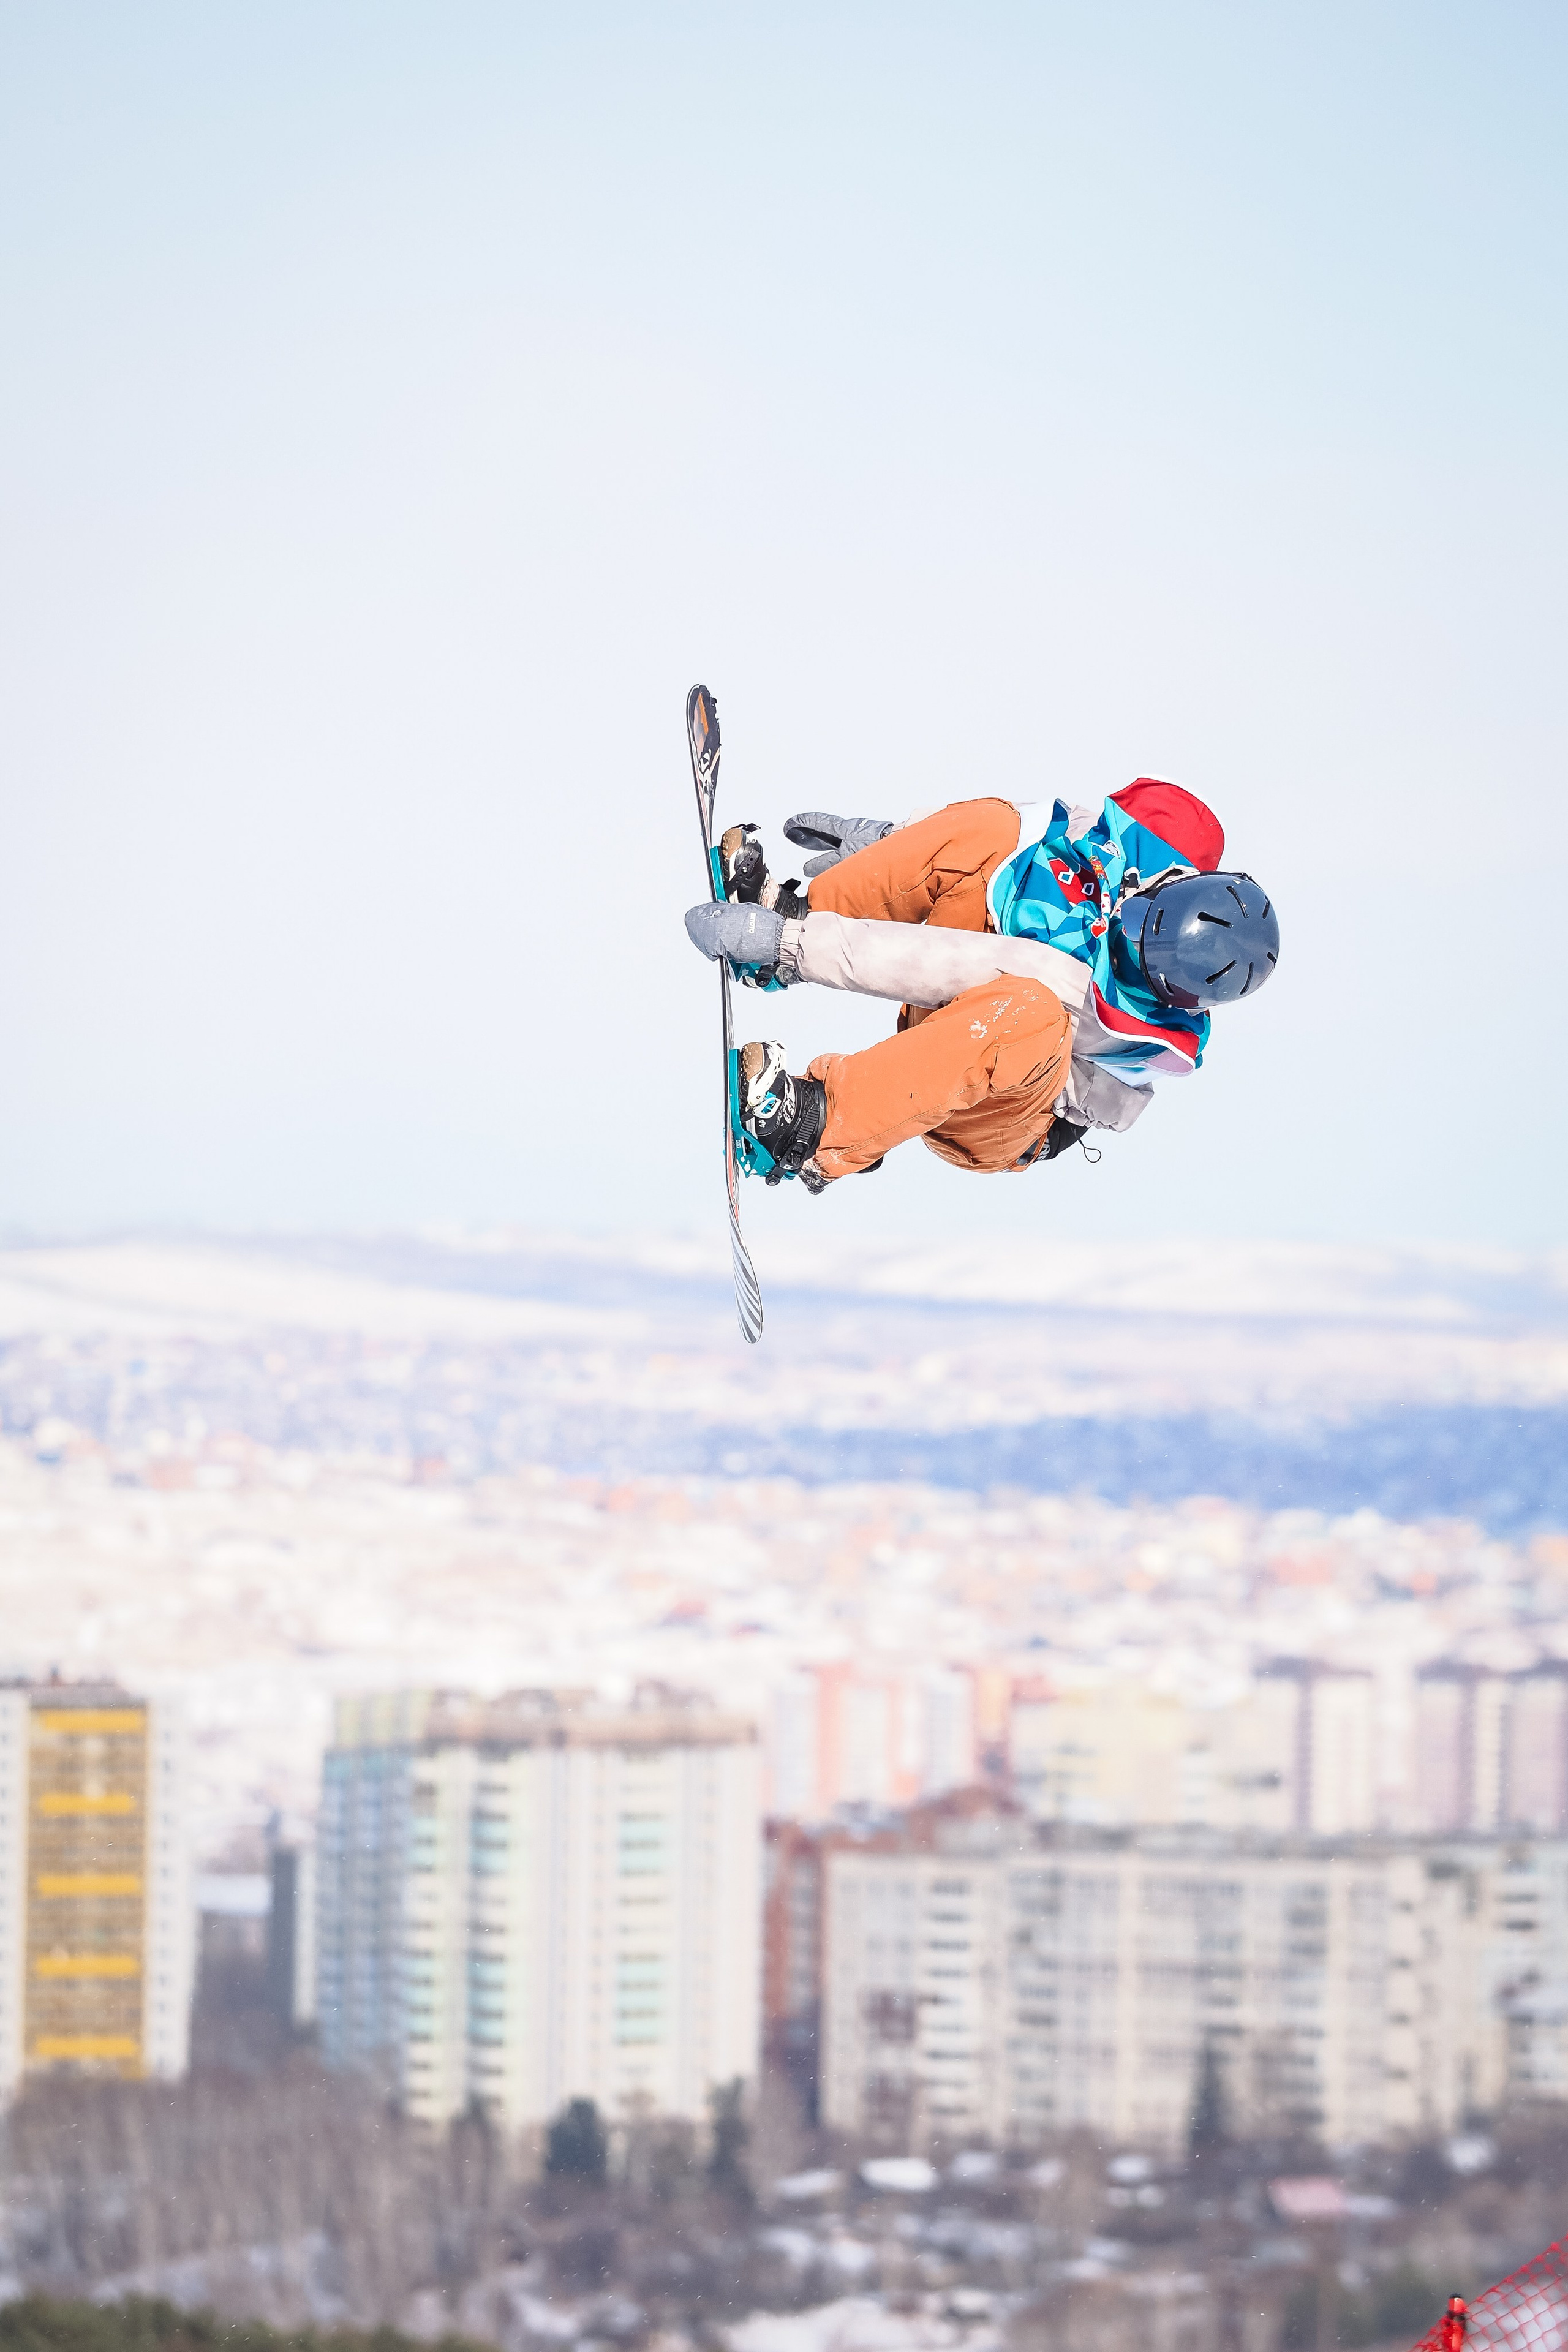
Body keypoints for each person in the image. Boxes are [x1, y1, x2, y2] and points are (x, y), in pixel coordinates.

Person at [684, 783, 1278, 1193]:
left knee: (1032, 1011)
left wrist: (791, 945)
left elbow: (945, 962)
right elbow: (1032, 838)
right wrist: (897, 850)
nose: (1117, 935)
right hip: (965, 1010)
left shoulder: (1101, 1008)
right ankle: (785, 907)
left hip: (995, 1112)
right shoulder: (1144, 854)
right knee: (995, 828)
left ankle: (810, 1126)